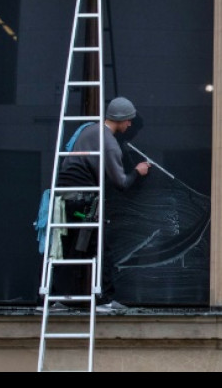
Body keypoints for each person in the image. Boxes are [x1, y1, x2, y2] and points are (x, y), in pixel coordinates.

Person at [52, 96, 150, 313]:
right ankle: (104, 299)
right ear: (121, 119)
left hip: (66, 199)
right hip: (84, 202)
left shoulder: (89, 130)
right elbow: (121, 183)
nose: (130, 124)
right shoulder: (109, 143)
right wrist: (138, 171)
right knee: (100, 247)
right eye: (129, 120)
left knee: (70, 248)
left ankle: (57, 298)